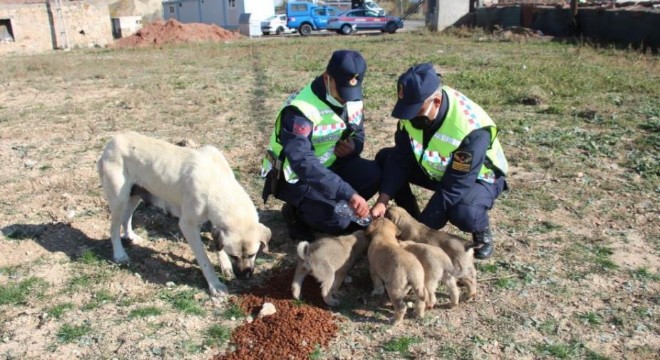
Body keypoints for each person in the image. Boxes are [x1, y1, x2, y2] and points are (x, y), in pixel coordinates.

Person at [370, 63, 509, 259]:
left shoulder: (470, 128)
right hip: (437, 169)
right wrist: (383, 200)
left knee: (464, 212)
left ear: (435, 101)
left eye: (415, 110)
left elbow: (455, 186)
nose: (409, 116)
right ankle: (411, 216)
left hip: (476, 178)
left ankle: (481, 231)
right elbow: (400, 158)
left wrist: (421, 234)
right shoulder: (412, 112)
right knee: (386, 158)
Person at [261, 50, 381, 242]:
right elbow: (302, 162)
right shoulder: (301, 109)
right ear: (327, 78)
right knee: (338, 221)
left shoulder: (352, 98)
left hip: (330, 167)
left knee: (374, 175)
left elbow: (358, 132)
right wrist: (347, 192)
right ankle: (295, 212)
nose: (346, 98)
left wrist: (354, 147)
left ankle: (325, 204)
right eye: (341, 90)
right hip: (295, 177)